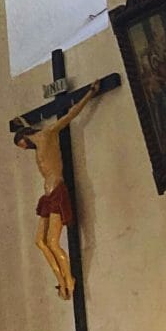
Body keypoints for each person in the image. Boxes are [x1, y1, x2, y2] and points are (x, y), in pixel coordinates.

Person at [12, 80, 101, 298]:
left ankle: (68, 280)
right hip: (48, 194)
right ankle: (61, 280)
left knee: (52, 241)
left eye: (21, 145)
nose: (23, 149)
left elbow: (70, 115)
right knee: (39, 242)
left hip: (57, 190)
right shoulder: (36, 144)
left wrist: (89, 94)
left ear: (23, 137)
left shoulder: (47, 134)